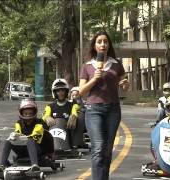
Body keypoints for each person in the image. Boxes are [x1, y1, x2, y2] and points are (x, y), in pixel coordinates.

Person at [79, 31, 129, 180]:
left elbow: (125, 86)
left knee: (107, 150)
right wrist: (94, 79)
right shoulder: (87, 66)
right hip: (94, 110)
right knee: (99, 148)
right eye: (99, 42)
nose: (103, 44)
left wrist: (125, 84)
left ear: (109, 45)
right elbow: (81, 91)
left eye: (105, 41)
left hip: (113, 110)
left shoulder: (116, 64)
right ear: (94, 46)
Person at [0, 99, 54, 172]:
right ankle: (2, 165)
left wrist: (20, 138)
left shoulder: (40, 123)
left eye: (30, 113)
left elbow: (35, 136)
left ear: (34, 113)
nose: (28, 115)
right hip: (24, 149)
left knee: (30, 140)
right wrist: (13, 137)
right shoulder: (19, 123)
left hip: (39, 150)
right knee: (8, 141)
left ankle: (34, 165)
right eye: (26, 113)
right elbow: (17, 134)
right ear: (21, 113)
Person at [42, 79, 80, 148]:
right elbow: (44, 116)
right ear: (54, 93)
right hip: (53, 137)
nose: (61, 93)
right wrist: (47, 117)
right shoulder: (49, 106)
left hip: (69, 135)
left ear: (66, 92)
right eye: (58, 91)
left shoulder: (73, 105)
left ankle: (76, 144)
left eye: (63, 90)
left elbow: (76, 111)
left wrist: (74, 116)